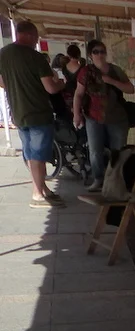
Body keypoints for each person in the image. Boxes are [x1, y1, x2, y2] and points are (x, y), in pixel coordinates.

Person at [0, 21, 66, 208]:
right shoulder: (36, 58)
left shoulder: (3, 54)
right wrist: (61, 83)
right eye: (36, 37)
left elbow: (2, 82)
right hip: (38, 112)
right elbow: (50, 88)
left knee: (30, 153)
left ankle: (43, 188)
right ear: (29, 35)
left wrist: (15, 87)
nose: (37, 41)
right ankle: (37, 194)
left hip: (18, 112)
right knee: (39, 155)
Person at [73, 39, 135, 192]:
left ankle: (116, 180)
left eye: (102, 51)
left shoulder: (115, 70)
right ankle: (98, 179)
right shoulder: (86, 72)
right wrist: (76, 114)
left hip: (116, 117)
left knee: (118, 151)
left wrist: (111, 81)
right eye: (96, 52)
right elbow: (78, 94)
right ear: (90, 55)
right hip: (93, 116)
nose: (100, 55)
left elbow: (130, 89)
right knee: (95, 151)